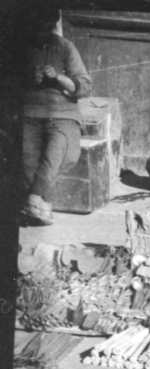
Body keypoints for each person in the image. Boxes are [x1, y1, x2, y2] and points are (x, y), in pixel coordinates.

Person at [18, 8, 92, 226]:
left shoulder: (65, 47)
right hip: (28, 112)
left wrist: (59, 77)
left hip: (62, 114)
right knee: (26, 158)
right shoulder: (18, 48)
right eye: (35, 28)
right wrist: (26, 78)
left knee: (58, 151)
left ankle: (33, 201)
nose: (41, 34)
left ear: (52, 26)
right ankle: (39, 205)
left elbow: (84, 86)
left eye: (45, 28)